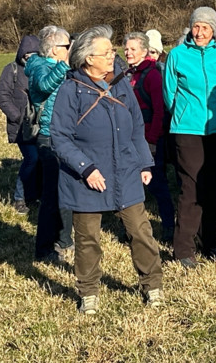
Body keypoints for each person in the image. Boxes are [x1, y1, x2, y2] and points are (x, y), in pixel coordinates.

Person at [50, 30, 165, 314]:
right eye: (107, 52)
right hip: (86, 178)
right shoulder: (70, 90)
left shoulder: (121, 83)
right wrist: (86, 169)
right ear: (88, 58)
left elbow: (136, 126)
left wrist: (144, 162)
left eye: (113, 51)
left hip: (125, 170)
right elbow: (60, 138)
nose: (114, 56)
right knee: (87, 239)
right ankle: (88, 292)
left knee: (140, 231)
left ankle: (152, 286)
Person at [164, 6, 216, 268]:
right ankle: (183, 248)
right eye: (196, 26)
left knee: (215, 187)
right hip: (187, 130)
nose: (200, 32)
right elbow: (169, 94)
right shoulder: (177, 55)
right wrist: (185, 115)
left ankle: (210, 242)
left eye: (206, 27)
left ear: (214, 30)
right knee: (191, 187)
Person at [26, 25, 74, 263]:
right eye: (67, 46)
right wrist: (64, 65)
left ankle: (64, 239)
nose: (70, 49)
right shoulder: (39, 66)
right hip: (49, 136)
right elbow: (44, 86)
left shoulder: (56, 66)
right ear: (55, 49)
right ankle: (44, 248)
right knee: (52, 195)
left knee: (66, 191)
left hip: (64, 135)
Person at [123, 31, 175, 240]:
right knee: (130, 185)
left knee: (157, 184)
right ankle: (130, 229)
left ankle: (169, 226)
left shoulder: (152, 75)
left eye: (133, 49)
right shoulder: (127, 75)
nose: (128, 52)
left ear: (145, 51)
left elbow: (159, 110)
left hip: (149, 139)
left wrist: (152, 140)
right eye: (126, 49)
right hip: (130, 139)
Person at [0, 34, 41, 213]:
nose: (30, 59)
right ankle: (19, 198)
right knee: (32, 159)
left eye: (35, 55)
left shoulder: (42, 70)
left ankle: (34, 194)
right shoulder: (11, 70)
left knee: (41, 160)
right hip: (22, 127)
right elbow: (3, 97)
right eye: (27, 55)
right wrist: (18, 117)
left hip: (41, 123)